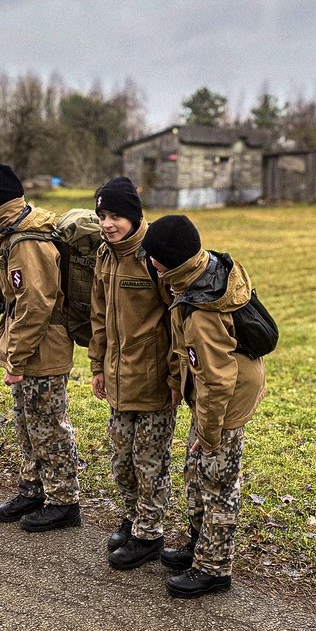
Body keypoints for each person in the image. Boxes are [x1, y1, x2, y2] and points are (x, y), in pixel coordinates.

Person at [142, 214, 266, 599]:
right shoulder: (200, 274)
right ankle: (200, 545)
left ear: (171, 263)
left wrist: (210, 435)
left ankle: (214, 569)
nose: (150, 263)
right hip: (215, 392)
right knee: (197, 474)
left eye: (155, 258)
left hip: (226, 402)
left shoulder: (201, 314)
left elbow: (216, 380)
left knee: (217, 481)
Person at [0, 162, 81, 532]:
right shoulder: (11, 231)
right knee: (27, 424)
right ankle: (33, 488)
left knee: (48, 426)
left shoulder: (26, 241)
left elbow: (36, 304)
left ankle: (64, 501)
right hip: (29, 345)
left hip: (43, 348)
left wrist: (15, 357)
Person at [88, 177, 180, 569]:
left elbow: (179, 319)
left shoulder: (153, 256)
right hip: (116, 376)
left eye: (116, 216)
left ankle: (149, 534)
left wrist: (177, 377)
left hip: (154, 378)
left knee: (150, 461)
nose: (108, 224)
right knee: (121, 459)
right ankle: (133, 517)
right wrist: (97, 366)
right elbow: (98, 316)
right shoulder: (105, 255)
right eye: (102, 216)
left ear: (134, 216)